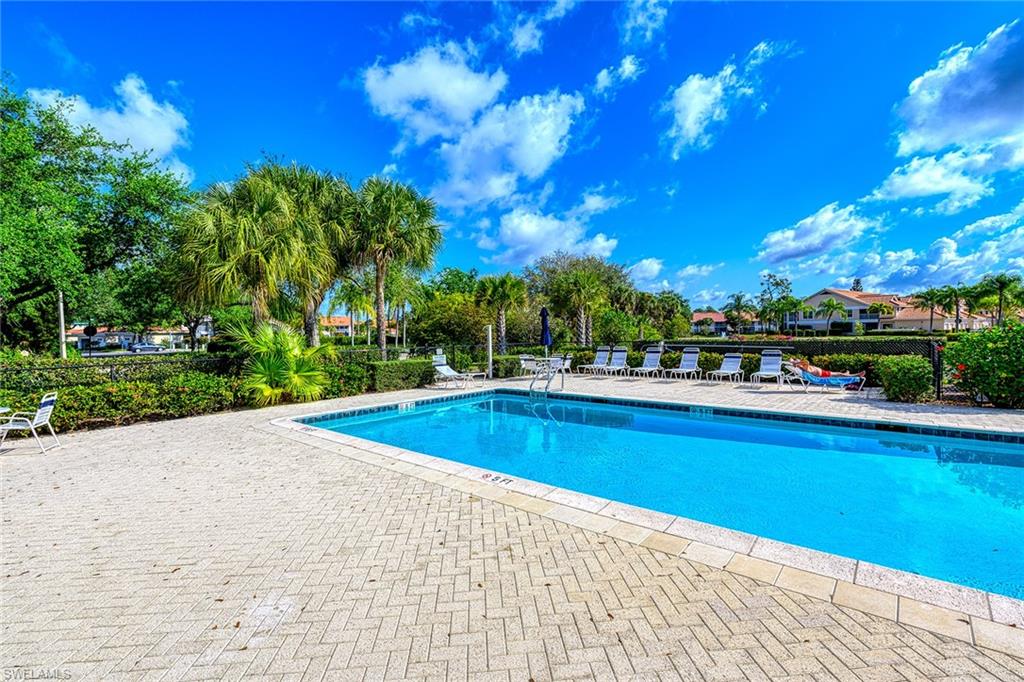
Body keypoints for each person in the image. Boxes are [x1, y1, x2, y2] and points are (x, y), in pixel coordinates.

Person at [793, 358, 865, 379]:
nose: (800, 360)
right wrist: (797, 362)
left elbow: (791, 359)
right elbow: (807, 362)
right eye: (798, 360)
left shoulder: (803, 366)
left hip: (823, 373)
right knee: (839, 374)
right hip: (822, 375)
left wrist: (795, 362)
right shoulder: (804, 367)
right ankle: (857, 375)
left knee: (839, 374)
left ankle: (846, 374)